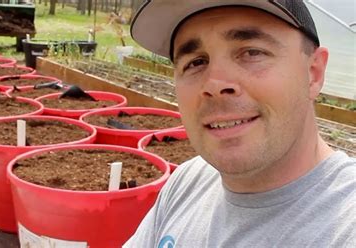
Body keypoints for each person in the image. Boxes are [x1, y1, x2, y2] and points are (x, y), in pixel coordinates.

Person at [125, 0, 356, 247]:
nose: (215, 84)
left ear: (313, 73)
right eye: (195, 62)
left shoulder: (344, 226)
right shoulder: (188, 182)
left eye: (252, 52)